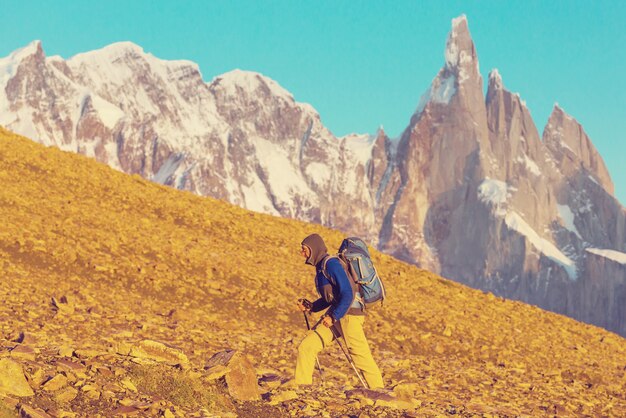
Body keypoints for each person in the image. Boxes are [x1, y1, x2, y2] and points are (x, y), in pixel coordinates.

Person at [294, 233, 384, 388]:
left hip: (350, 315)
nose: (301, 253)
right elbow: (330, 298)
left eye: (304, 249)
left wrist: (333, 316)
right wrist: (312, 307)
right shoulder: (321, 268)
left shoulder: (331, 265)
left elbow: (348, 293)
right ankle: (301, 389)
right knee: (307, 346)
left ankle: (381, 393)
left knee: (360, 356)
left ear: (313, 249)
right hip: (337, 315)